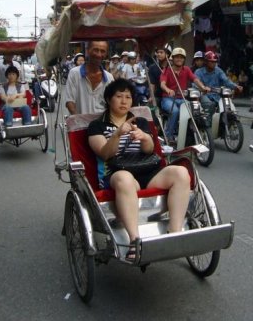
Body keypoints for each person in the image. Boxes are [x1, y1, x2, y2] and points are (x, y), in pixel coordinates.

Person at [87, 78, 190, 260]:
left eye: (128, 97)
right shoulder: (97, 126)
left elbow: (150, 150)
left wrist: (144, 137)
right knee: (124, 179)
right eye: (119, 96)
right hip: (119, 172)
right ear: (109, 99)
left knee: (181, 172)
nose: (124, 101)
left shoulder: (140, 121)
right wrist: (118, 134)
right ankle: (135, 240)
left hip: (148, 170)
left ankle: (174, 233)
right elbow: (105, 154)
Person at [159, 48, 210, 145]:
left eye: (181, 57)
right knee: (175, 111)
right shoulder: (166, 70)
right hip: (168, 99)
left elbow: (195, 80)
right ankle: (169, 136)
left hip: (182, 98)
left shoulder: (186, 69)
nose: (179, 59)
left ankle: (189, 133)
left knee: (196, 109)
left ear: (184, 59)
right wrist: (168, 90)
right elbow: (162, 84)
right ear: (172, 59)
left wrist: (203, 87)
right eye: (177, 57)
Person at [64, 40, 114, 115]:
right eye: (95, 50)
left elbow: (112, 104)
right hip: (79, 124)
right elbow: (70, 102)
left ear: (106, 54)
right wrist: (79, 122)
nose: (99, 54)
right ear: (88, 51)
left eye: (103, 51)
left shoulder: (109, 78)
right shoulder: (74, 73)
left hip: (102, 125)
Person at [195, 51, 242, 121]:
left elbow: (226, 80)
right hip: (204, 95)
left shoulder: (218, 71)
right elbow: (196, 84)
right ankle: (208, 124)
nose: (214, 63)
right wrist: (203, 88)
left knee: (227, 104)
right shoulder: (198, 72)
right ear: (206, 62)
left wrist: (236, 86)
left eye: (215, 62)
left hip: (217, 95)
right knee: (209, 105)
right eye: (211, 62)